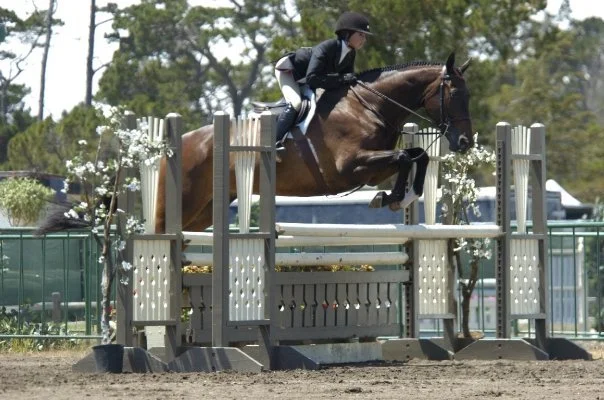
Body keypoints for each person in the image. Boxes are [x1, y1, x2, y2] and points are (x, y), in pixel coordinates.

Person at [273, 11, 372, 150]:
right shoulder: (328, 47)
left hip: (307, 79)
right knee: (296, 103)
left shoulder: (350, 53)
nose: (364, 39)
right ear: (347, 33)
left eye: (365, 36)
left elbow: (346, 80)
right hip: (289, 72)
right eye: (361, 34)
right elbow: (313, 78)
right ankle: (273, 142)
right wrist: (342, 78)